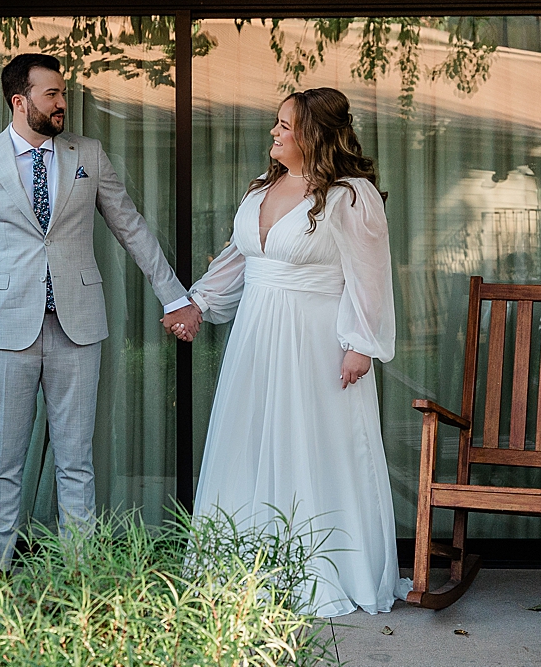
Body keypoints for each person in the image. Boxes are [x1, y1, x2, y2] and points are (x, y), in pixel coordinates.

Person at [0, 52, 203, 570]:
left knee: (76, 461)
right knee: (3, 462)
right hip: (3, 328)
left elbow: (130, 226)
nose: (63, 103)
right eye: (53, 95)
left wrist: (175, 296)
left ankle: (78, 576)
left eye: (64, 94)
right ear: (20, 101)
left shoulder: (88, 154)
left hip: (77, 325)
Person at [172, 86, 411, 617]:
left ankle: (325, 566)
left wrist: (360, 345)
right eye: (277, 123)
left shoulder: (350, 195)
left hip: (317, 340)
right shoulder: (265, 187)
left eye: (285, 124)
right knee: (251, 439)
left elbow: (369, 279)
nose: (275, 132)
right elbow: (239, 258)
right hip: (256, 336)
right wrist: (198, 304)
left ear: (314, 134)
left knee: (315, 445)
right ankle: (247, 563)